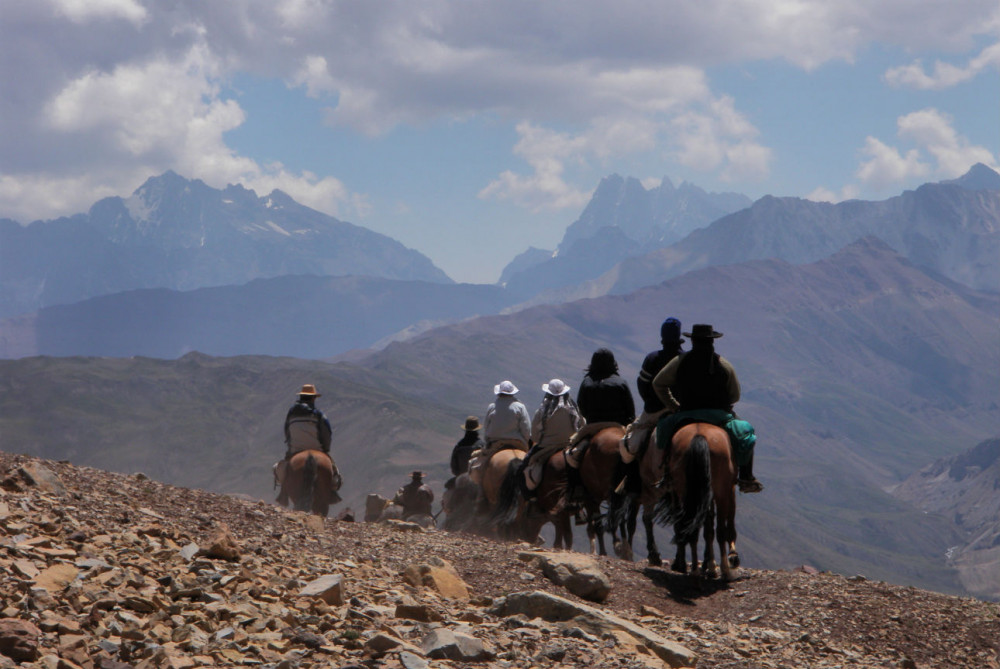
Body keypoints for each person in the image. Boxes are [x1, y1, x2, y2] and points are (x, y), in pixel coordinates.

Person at [652, 324, 763, 493]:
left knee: (664, 430)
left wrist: (673, 405)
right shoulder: (724, 364)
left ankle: (667, 474)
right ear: (712, 341)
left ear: (692, 341)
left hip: (685, 414)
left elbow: (658, 384)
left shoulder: (680, 362)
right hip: (719, 416)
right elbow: (735, 396)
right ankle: (746, 477)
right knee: (746, 434)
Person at [617, 318, 685, 493]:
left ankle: (630, 482)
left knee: (629, 444)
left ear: (662, 337)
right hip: (684, 410)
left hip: (655, 411)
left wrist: (650, 402)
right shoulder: (686, 359)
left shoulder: (653, 358)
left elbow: (642, 385)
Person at [519, 379, 585, 501]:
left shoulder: (542, 411)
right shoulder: (573, 409)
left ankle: (531, 498)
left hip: (547, 447)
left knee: (522, 468)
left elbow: (534, 435)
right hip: (569, 445)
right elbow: (582, 425)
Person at [470, 380, 531, 482]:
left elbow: (487, 427)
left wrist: (488, 440)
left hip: (495, 444)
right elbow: (526, 429)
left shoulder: (492, 407)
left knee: (481, 469)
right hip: (518, 443)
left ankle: (481, 493)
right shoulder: (520, 407)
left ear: (499, 393)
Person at [283, 383, 332, 459]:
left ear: (300, 397)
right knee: (332, 468)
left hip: (295, 449)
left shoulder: (291, 413)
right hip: (317, 449)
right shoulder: (319, 415)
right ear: (313, 398)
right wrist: (326, 449)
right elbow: (327, 433)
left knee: (280, 468)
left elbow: (287, 432)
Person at [446, 416, 484, 490]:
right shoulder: (482, 445)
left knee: (447, 491)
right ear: (477, 430)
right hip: (478, 481)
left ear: (466, 430)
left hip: (461, 479)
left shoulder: (459, 446)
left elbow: (454, 468)